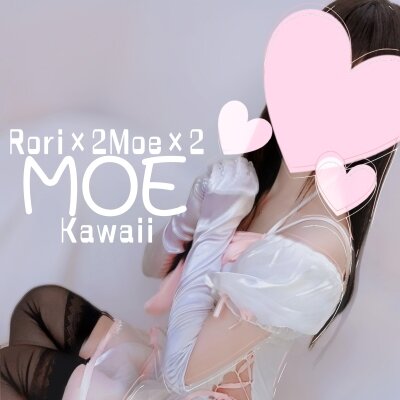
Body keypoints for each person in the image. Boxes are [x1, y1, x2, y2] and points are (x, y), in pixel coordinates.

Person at [1, 1, 399, 399]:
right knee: (42, 307)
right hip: (171, 367)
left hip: (191, 384)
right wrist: (194, 215)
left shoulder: (314, 251)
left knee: (11, 366)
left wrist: (215, 226)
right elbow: (153, 264)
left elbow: (183, 373)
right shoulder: (256, 179)